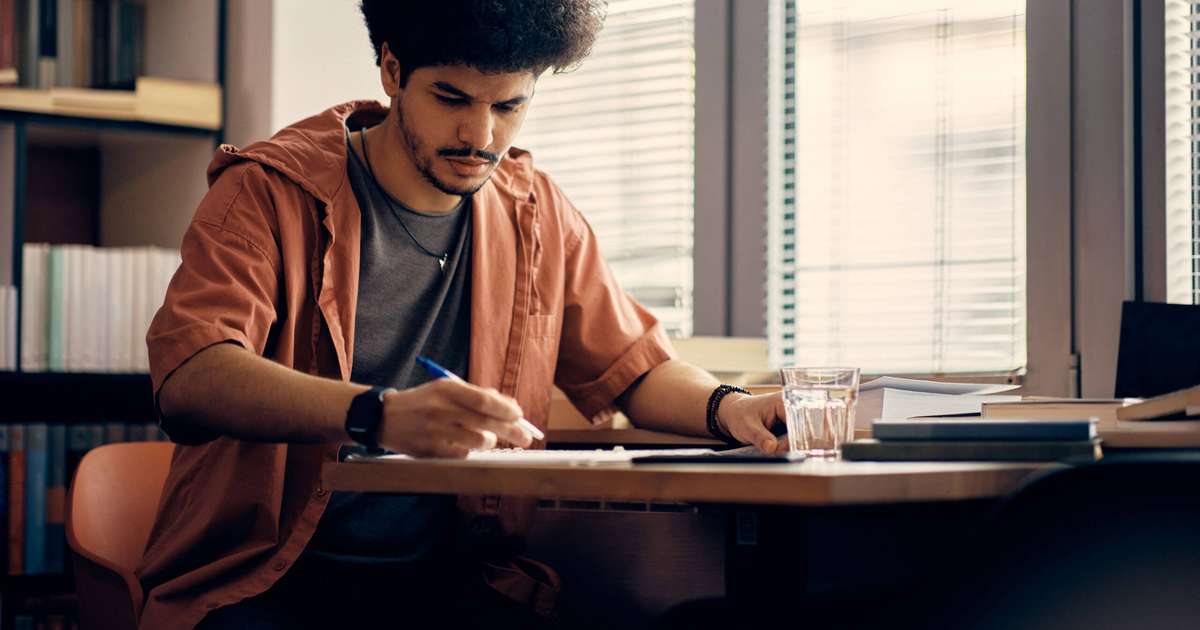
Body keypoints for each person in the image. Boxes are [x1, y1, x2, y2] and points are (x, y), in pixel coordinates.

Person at [138, 1, 787, 628]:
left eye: (509, 106)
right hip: (268, 580)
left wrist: (730, 407)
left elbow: (636, 372)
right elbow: (192, 376)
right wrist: (380, 413)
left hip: (447, 581)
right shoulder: (266, 192)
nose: (481, 136)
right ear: (392, 71)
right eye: (451, 99)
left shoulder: (536, 214)